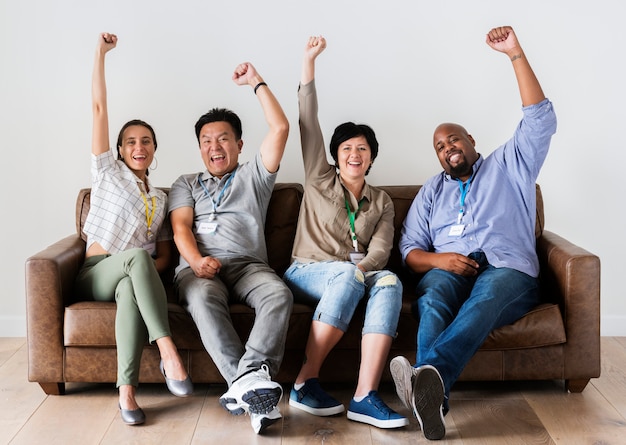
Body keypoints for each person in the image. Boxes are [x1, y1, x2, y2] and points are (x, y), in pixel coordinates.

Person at [390, 26, 557, 440]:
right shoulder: (431, 190)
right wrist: (439, 260)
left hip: (505, 270)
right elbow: (410, 248)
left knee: (485, 299)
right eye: (440, 146)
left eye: (454, 139)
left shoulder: (509, 165)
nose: (448, 148)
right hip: (448, 269)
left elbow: (539, 120)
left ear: (471, 140)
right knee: (432, 300)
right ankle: (433, 401)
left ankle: (429, 383)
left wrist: (515, 54)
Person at [282, 36, 407, 429]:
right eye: (347, 148)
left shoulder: (382, 200)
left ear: (371, 157)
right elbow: (306, 117)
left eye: (363, 148)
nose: (355, 154)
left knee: (388, 280)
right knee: (347, 273)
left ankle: (364, 396)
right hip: (308, 271)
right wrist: (308, 62)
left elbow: (382, 251)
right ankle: (304, 382)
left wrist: (364, 270)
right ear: (336, 156)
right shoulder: (319, 179)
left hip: (355, 275)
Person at [74, 32, 193, 426]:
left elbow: (162, 254)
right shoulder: (107, 173)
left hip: (129, 275)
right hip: (96, 273)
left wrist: (143, 274)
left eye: (146, 141)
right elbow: (97, 108)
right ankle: (168, 352)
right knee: (134, 261)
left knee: (132, 285)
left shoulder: (160, 198)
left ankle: (126, 393)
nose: (138, 147)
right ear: (121, 150)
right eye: (130, 142)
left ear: (154, 150)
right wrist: (100, 54)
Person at [168, 62, 292, 435]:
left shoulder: (255, 175)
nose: (214, 146)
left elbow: (281, 128)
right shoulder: (186, 182)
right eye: (206, 140)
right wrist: (195, 260)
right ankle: (255, 393)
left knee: (279, 295)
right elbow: (180, 227)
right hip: (197, 267)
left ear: (239, 145)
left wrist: (256, 82)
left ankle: (246, 380)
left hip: (248, 265)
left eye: (223, 138)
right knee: (203, 298)